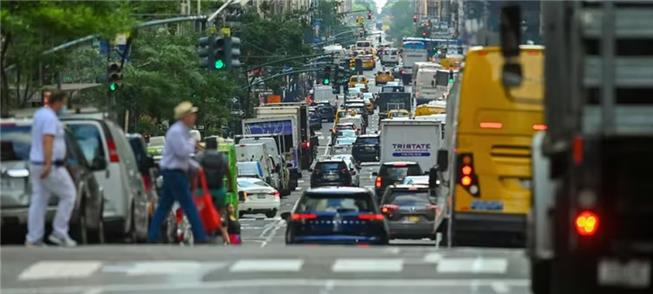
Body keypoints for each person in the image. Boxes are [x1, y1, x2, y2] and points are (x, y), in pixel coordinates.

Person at [147, 101, 208, 243]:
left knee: (164, 206)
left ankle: (152, 236)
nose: (194, 117)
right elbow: (182, 152)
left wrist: (195, 166)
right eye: (192, 115)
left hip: (174, 172)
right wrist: (193, 143)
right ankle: (200, 237)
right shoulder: (176, 132)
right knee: (188, 205)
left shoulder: (182, 132)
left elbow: (182, 158)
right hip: (174, 173)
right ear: (185, 116)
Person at [26, 90, 77, 247]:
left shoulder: (40, 114)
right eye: (63, 102)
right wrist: (48, 163)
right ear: (58, 101)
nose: (64, 106)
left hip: (36, 163)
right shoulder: (49, 118)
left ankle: (34, 237)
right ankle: (59, 232)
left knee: (39, 199)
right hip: (50, 165)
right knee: (69, 194)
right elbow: (47, 140)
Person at [195, 139, 233, 244]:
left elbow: (195, 172)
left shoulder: (200, 157)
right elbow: (228, 173)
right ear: (216, 147)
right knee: (221, 209)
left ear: (206, 146)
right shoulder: (223, 157)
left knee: (199, 210)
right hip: (219, 191)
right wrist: (230, 187)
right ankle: (219, 220)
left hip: (203, 191)